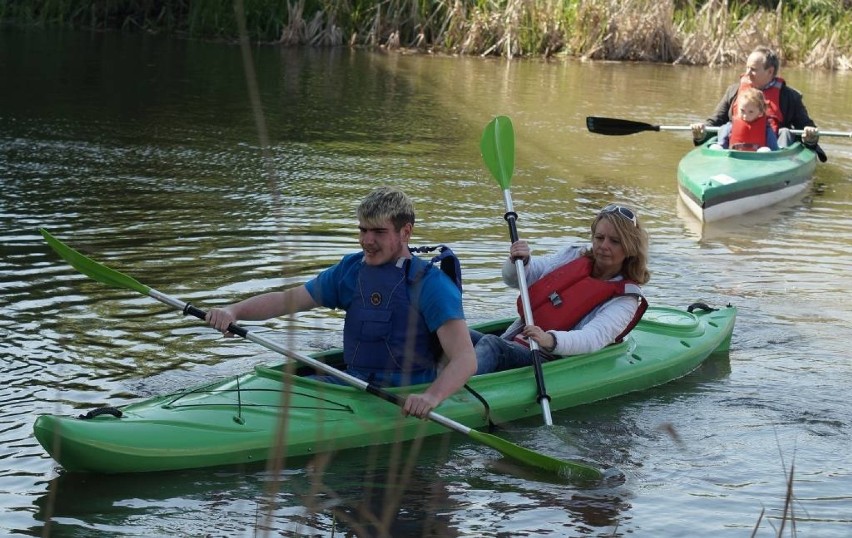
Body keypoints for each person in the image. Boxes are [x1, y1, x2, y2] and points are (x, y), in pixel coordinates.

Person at [205, 186, 477, 418]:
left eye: (378, 232)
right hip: (349, 384)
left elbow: (465, 359)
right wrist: (234, 311)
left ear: (405, 232)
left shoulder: (431, 285)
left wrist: (430, 398)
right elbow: (288, 300)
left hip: (402, 395)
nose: (366, 241)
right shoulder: (350, 271)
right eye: (363, 230)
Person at [471, 204, 650, 375]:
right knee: (453, 332)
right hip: (518, 340)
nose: (604, 246)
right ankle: (448, 377)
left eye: (615, 241)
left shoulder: (626, 299)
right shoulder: (574, 256)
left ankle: (454, 392)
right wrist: (520, 261)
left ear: (630, 248)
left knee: (492, 345)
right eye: (599, 238)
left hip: (552, 360)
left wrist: (550, 340)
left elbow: (593, 338)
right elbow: (523, 277)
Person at [690, 46, 823, 159]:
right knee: (725, 128)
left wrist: (810, 137)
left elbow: (806, 127)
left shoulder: (790, 97)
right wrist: (701, 133)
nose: (747, 73)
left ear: (770, 71)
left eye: (753, 69)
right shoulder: (734, 91)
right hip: (734, 152)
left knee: (785, 132)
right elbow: (715, 122)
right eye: (747, 68)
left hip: (771, 154)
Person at [709, 87, 779, 151]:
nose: (745, 115)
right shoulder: (730, 126)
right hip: (735, 157)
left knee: (765, 150)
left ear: (760, 112)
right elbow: (723, 143)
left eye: (751, 112)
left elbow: (774, 149)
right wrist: (720, 147)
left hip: (758, 158)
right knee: (717, 147)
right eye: (742, 111)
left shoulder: (766, 129)